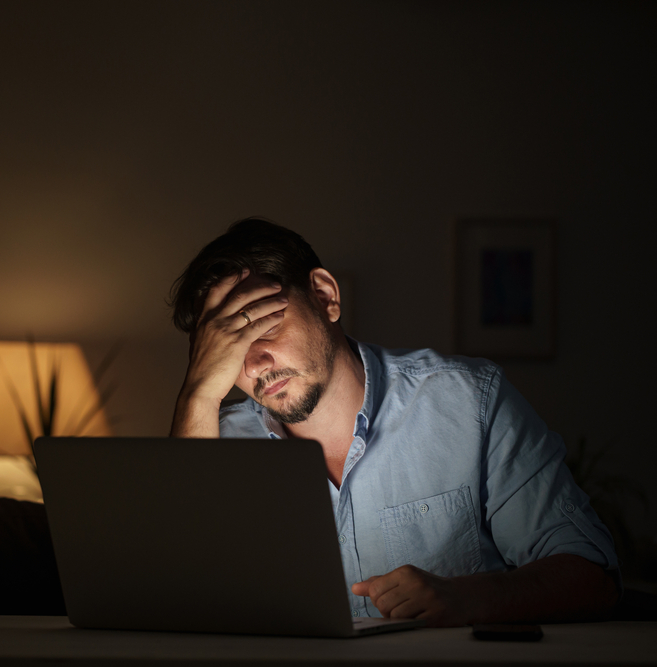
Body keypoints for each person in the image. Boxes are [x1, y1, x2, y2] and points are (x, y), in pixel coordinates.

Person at [169, 218, 620, 627]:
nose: (254, 365)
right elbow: (178, 596)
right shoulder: (214, 443)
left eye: (260, 327)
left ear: (325, 296)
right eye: (227, 350)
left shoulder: (469, 403)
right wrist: (198, 392)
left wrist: (466, 597)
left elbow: (590, 575)